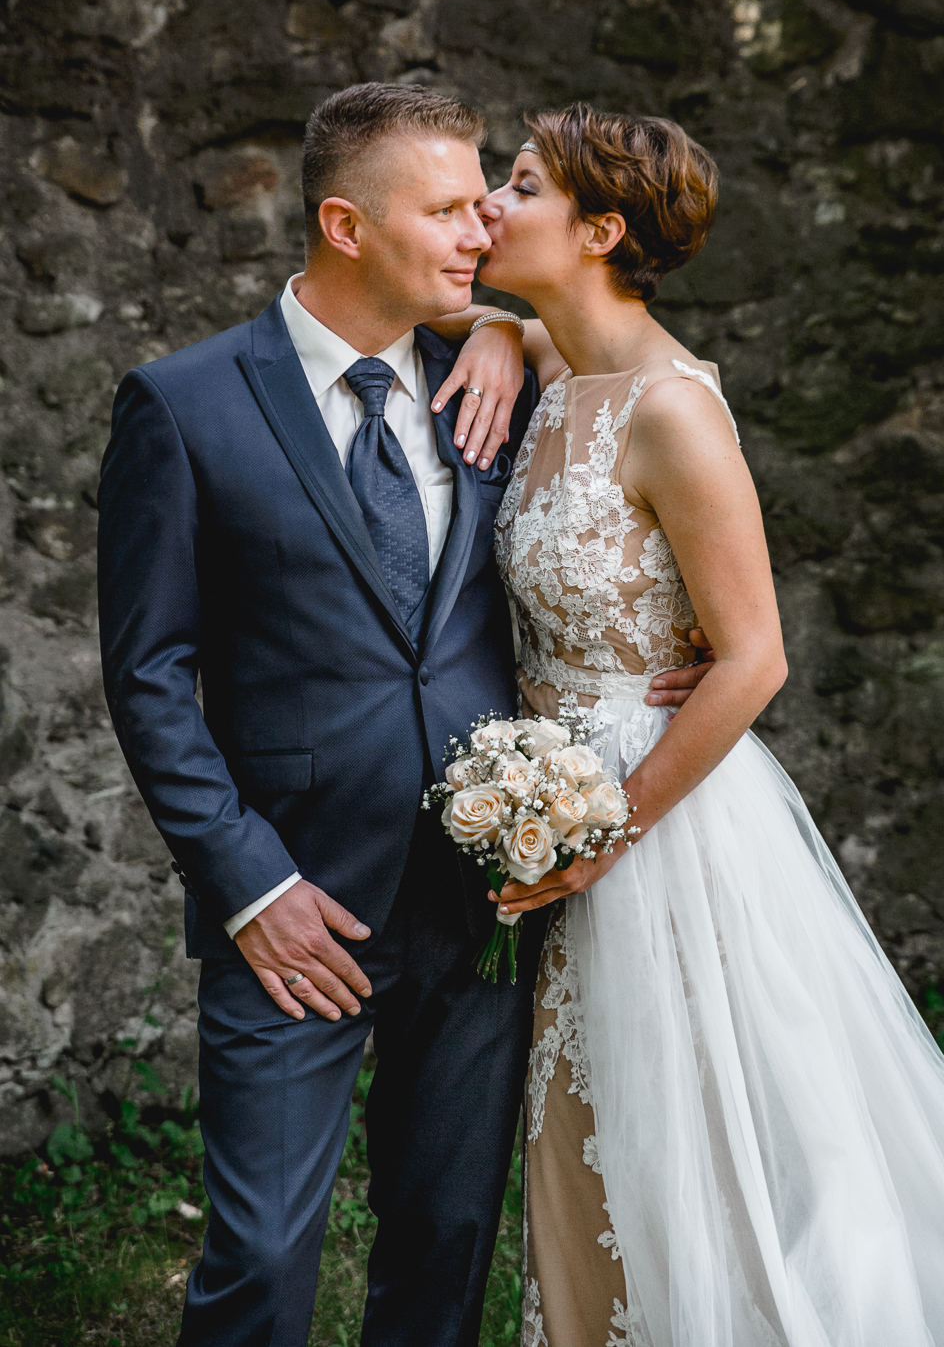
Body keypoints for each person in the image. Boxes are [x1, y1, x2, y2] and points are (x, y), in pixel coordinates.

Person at [97, 82, 708, 1347]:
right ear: (343, 224)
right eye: (443, 210)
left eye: (486, 196)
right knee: (260, 1254)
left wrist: (696, 638)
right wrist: (249, 887)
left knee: (443, 1247)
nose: (481, 225)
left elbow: (643, 425)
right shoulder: (183, 405)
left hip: (479, 900)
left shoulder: (501, 379)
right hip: (295, 907)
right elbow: (148, 672)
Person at [468, 103, 944, 1347]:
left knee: (684, 1151)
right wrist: (497, 331)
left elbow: (753, 657)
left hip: (655, 821)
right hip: (547, 807)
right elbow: (420, 297)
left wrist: (613, 829)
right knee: (581, 1141)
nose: (492, 201)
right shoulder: (558, 363)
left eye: (522, 184)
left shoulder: (670, 409)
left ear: (600, 230)